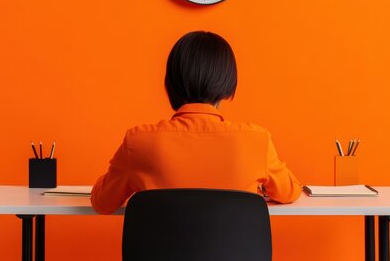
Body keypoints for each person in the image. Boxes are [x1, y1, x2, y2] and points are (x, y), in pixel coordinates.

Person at [91, 31, 301, 214]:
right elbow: (290, 191)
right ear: (228, 83)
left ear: (171, 81)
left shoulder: (138, 142)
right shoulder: (257, 140)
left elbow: (102, 203)